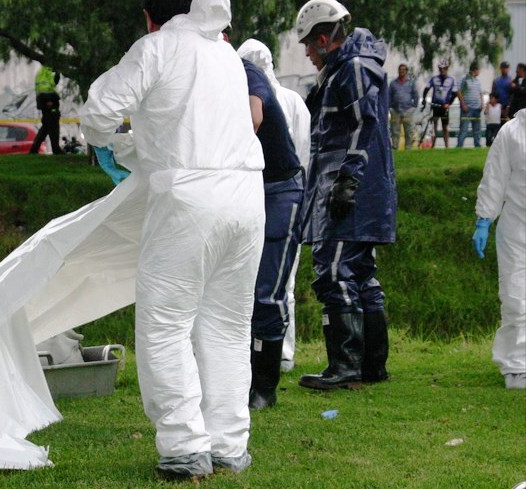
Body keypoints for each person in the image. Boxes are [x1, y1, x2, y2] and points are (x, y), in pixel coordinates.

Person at [81, 0, 264, 479]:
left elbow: (99, 111)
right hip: (247, 196)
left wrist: (105, 143)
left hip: (189, 197)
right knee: (228, 326)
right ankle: (229, 444)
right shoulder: (226, 55)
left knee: (165, 323)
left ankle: (184, 446)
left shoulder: (157, 48)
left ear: (149, 14)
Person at [294, 0, 396, 391]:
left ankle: (346, 365)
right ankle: (371, 365)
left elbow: (363, 125)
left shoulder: (352, 68)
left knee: (334, 272)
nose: (306, 52)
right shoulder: (346, 69)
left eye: (308, 44)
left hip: (347, 192)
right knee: (360, 274)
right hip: (351, 188)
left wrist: (348, 179)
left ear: (323, 39)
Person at [235, 39, 312, 373]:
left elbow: (302, 151)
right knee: (257, 284)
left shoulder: (284, 98)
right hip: (254, 189)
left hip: (282, 189)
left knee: (277, 283)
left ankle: (278, 357)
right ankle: (256, 357)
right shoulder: (238, 90)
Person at [472, 108, 525, 389]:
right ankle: (517, 366)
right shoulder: (512, 132)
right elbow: (495, 176)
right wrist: (484, 219)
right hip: (517, 228)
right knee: (516, 297)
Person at [423, 59, 458, 148]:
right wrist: (424, 99)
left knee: (445, 127)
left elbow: (455, 93)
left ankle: (447, 146)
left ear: (447, 69)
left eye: (444, 68)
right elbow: (426, 88)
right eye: (440, 69)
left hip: (444, 107)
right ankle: (433, 146)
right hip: (435, 106)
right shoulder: (434, 78)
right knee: (434, 127)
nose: (442, 70)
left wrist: (449, 103)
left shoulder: (452, 79)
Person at [28, 65, 63, 155]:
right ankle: (56, 149)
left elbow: (53, 83)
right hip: (49, 101)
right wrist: (48, 100)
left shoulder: (43, 71)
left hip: (46, 101)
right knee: (53, 126)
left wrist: (57, 74)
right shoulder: (46, 72)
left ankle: (34, 149)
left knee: (46, 127)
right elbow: (44, 88)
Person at [388, 64, 419, 149]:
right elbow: (389, 95)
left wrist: (414, 107)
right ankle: (395, 147)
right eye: (400, 69)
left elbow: (415, 95)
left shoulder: (411, 83)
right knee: (395, 131)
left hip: (408, 110)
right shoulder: (393, 83)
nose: (401, 71)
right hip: (395, 110)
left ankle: (408, 148)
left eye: (403, 69)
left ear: (406, 71)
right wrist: (389, 108)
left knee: (409, 131)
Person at [457, 61, 483, 148]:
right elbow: (459, 92)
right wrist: (463, 104)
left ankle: (477, 145)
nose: (479, 72)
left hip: (477, 108)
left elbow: (480, 93)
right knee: (464, 129)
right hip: (467, 108)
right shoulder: (465, 79)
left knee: (477, 129)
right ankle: (459, 146)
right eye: (478, 70)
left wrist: (482, 103)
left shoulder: (478, 81)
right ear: (474, 70)